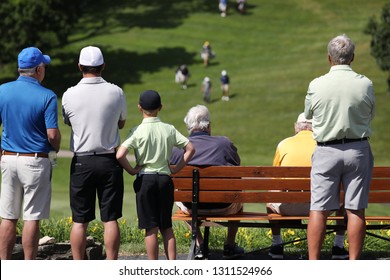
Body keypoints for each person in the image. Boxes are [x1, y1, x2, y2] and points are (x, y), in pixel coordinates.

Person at [304, 34, 375, 260]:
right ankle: (353, 264)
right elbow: (369, 113)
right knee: (355, 209)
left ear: (329, 58)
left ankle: (314, 264)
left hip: (326, 150)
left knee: (319, 209)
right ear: (352, 57)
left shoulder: (316, 84)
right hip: (357, 149)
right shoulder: (365, 83)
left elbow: (308, 115)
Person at [62, 46, 127, 260]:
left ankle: (80, 266)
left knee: (80, 220)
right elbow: (121, 123)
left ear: (79, 66)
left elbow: (68, 121)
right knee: (110, 219)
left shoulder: (69, 94)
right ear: (103, 66)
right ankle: (111, 264)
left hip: (82, 162)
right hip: (109, 160)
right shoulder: (116, 91)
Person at [116, 90, 195, 260]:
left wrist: (132, 170)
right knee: (166, 226)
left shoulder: (137, 131)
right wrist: (176, 167)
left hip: (145, 179)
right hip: (165, 179)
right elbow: (190, 149)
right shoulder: (169, 129)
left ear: (139, 107)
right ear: (160, 107)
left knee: (150, 228)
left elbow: (119, 154)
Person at [0, 47, 61, 259]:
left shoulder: (2, 90)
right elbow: (52, 135)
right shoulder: (48, 96)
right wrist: (57, 146)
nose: (44, 70)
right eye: (43, 66)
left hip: (8, 158)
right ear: (37, 69)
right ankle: (29, 267)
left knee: (8, 217)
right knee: (31, 217)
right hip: (35, 161)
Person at [267, 113, 348, 260]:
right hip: (322, 207)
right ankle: (338, 246)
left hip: (288, 206)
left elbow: (275, 180)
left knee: (270, 199)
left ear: (296, 127)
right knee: (343, 200)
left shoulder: (283, 144)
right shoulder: (325, 145)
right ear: (316, 127)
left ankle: (277, 244)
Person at [170, 105, 244, 259]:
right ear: (209, 126)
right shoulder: (224, 144)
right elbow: (237, 166)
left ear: (188, 127)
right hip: (224, 206)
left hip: (193, 207)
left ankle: (200, 243)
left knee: (180, 198)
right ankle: (230, 245)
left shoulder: (179, 149)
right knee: (239, 194)